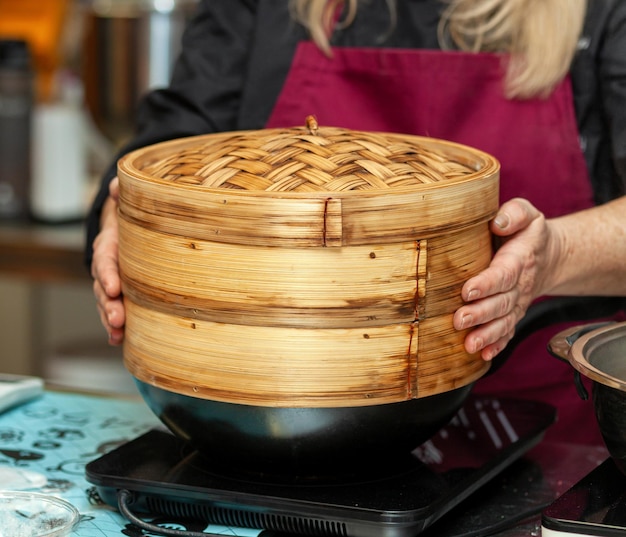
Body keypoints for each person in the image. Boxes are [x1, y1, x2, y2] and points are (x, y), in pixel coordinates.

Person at [86, 0, 626, 445]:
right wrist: (121, 217)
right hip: (249, 422)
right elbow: (166, 147)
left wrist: (553, 254)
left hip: (554, 443)